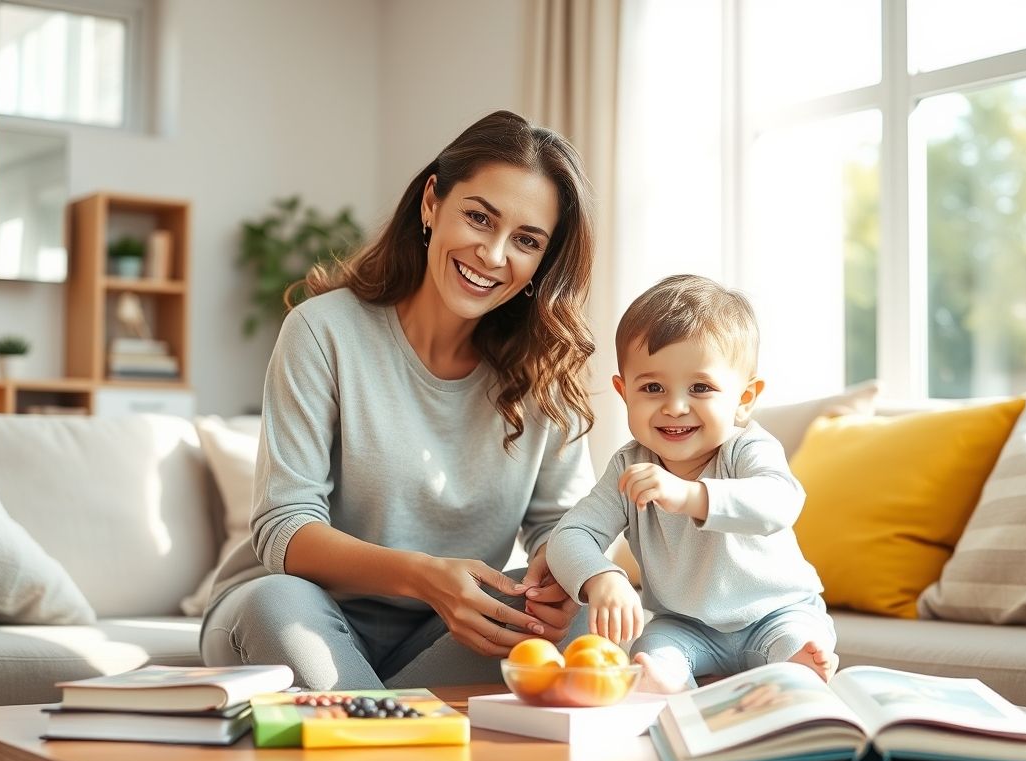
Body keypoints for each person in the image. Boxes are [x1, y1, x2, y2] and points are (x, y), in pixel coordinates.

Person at [201, 110, 598, 690]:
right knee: (277, 602)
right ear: (432, 203)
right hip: (297, 613)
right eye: (478, 217)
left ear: (544, 261)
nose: (492, 254)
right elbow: (284, 527)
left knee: (588, 616)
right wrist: (426, 577)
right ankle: (387, 741)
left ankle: (375, 726)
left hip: (440, 634)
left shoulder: (546, 366)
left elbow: (560, 526)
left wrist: (561, 578)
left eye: (526, 240)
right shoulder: (323, 331)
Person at [547, 274, 837, 693]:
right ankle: (668, 686)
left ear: (744, 399)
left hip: (776, 612)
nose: (675, 406)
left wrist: (689, 496)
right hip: (685, 626)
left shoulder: (746, 449)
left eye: (700, 387)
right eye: (652, 387)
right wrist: (602, 577)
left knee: (797, 639)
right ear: (624, 392)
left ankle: (795, 669)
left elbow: (780, 502)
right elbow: (570, 534)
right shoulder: (629, 465)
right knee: (652, 650)